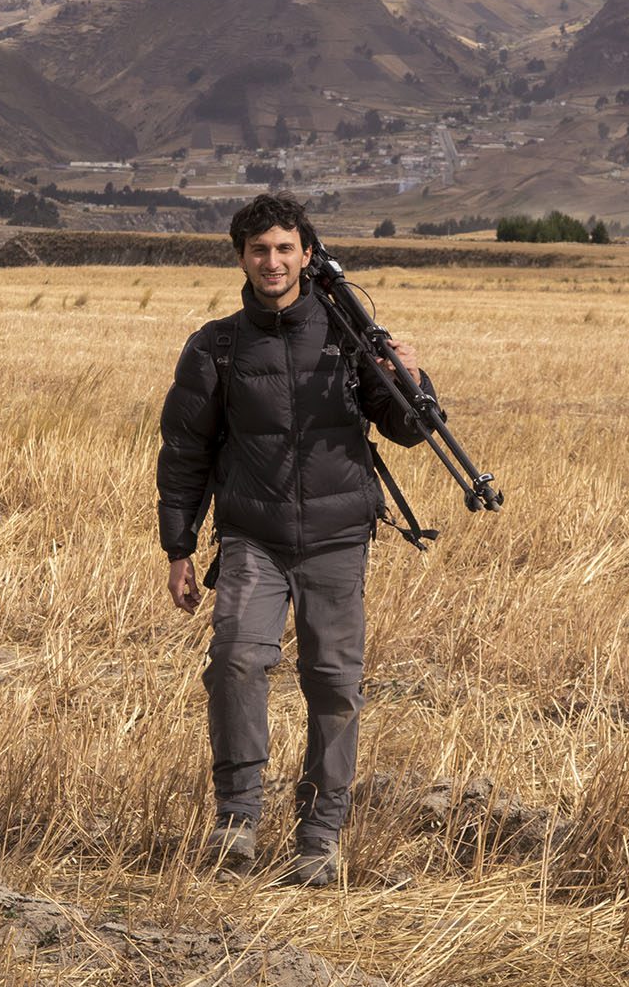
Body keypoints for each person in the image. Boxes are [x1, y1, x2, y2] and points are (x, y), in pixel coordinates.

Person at [156, 192, 435, 887]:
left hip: (339, 538)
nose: (272, 261)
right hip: (253, 536)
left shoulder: (348, 338)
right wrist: (178, 546)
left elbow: (409, 427)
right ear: (242, 259)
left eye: (285, 248)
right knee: (235, 663)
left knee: (335, 686)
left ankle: (319, 835)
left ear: (307, 255)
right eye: (259, 250)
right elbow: (184, 451)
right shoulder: (217, 345)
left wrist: (411, 374)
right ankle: (237, 819)